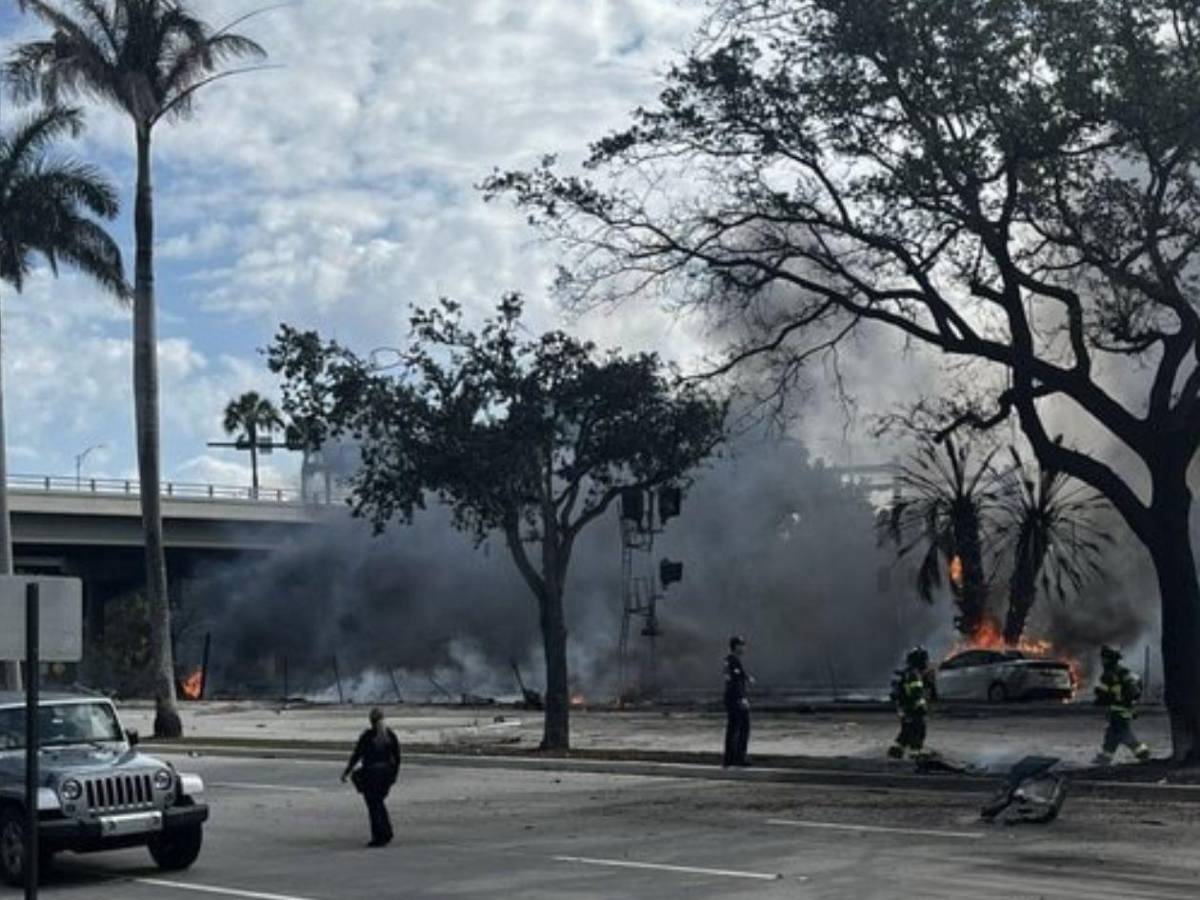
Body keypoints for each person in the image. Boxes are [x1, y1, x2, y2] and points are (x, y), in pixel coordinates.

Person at [341, 707, 401, 846]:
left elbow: (357, 755)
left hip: (371, 774)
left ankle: (379, 836)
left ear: (370, 720)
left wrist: (347, 772)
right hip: (385, 774)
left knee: (373, 805)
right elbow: (397, 758)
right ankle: (386, 832)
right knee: (379, 803)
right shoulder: (390, 735)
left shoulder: (367, 736)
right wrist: (394, 775)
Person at [1092, 645, 1151, 764]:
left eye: (1104, 658)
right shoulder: (1123, 673)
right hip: (1122, 709)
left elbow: (1108, 693)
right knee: (1112, 734)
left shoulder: (1113, 674)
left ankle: (1142, 753)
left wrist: (1101, 696)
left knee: (1123, 733)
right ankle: (1105, 757)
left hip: (1119, 710)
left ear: (1109, 659)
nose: (1102, 661)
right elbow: (1132, 689)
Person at [888, 646, 930, 759]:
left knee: (906, 732)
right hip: (913, 710)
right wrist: (921, 709)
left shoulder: (907, 673)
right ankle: (915, 755)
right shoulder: (914, 675)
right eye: (925, 660)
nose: (926, 662)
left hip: (906, 709)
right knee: (918, 732)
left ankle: (896, 751)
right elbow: (916, 695)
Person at [722, 635, 753, 767]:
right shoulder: (733, 661)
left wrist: (747, 677)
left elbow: (740, 676)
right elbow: (735, 682)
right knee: (740, 729)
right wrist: (742, 698)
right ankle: (737, 758)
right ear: (736, 646)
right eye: (741, 645)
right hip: (735, 699)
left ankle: (732, 758)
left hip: (733, 698)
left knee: (735, 728)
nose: (744, 648)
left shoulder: (731, 661)